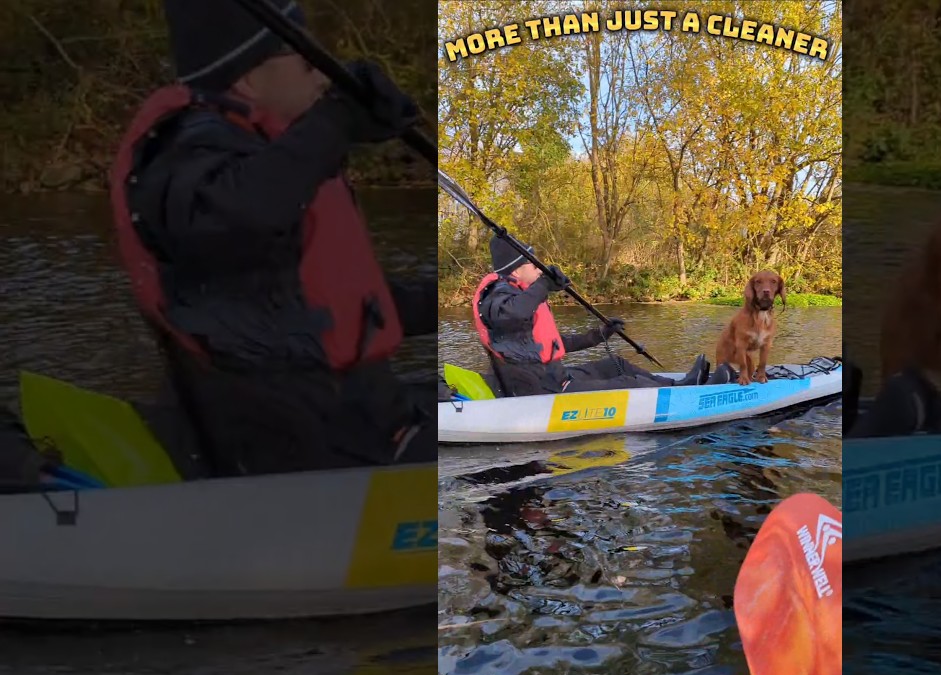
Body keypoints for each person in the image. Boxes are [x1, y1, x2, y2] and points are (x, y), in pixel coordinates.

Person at [107, 0, 433, 476]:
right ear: (248, 78)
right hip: (285, 438)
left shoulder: (269, 155)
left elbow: (337, 307)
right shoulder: (182, 152)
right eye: (307, 62)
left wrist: (441, 303)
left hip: (353, 413)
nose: (324, 77)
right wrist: (337, 122)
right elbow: (238, 214)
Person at [472, 234, 724, 396]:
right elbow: (509, 315)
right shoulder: (496, 295)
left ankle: (681, 386)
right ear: (514, 271)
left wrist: (599, 335)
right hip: (542, 390)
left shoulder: (520, 292)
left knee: (617, 364)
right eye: (532, 263)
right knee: (628, 383)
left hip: (555, 376)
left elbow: (552, 344)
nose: (538, 268)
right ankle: (687, 394)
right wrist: (543, 287)